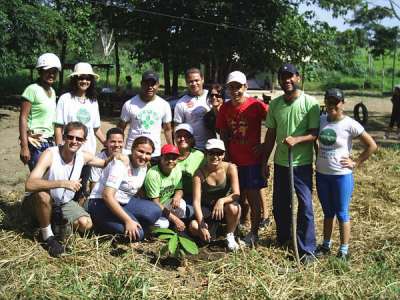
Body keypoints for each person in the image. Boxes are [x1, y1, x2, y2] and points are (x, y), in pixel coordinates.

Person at [24, 122, 113, 257]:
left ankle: (52, 221)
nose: (74, 141)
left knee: (86, 224)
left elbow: (104, 163)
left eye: (79, 139)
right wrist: (61, 183)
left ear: (84, 141)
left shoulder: (83, 156)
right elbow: (29, 184)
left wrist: (117, 155)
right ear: (64, 137)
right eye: (70, 137)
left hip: (63, 203)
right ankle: (48, 236)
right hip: (40, 201)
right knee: (43, 195)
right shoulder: (50, 154)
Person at [262, 63, 320, 264]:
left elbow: (314, 133)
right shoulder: (275, 105)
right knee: (280, 205)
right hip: (281, 163)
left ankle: (307, 249)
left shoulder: (309, 103)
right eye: (283, 76)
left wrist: (297, 140)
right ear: (279, 80)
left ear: (297, 77)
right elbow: (270, 134)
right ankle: (285, 239)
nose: (287, 80)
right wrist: (264, 161)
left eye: (290, 76)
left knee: (304, 205)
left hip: (301, 164)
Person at [314, 88, 377, 260]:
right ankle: (326, 245)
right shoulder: (320, 120)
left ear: (343, 103)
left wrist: (356, 162)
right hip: (322, 174)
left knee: (342, 212)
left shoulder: (350, 124)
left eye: (336, 102)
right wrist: (317, 155)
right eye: (329, 101)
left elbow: (372, 145)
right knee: (327, 212)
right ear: (325, 102)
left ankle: (343, 250)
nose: (332, 105)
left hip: (341, 176)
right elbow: (314, 139)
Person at [216, 71, 268, 247]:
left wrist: (264, 146)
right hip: (234, 162)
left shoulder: (257, 106)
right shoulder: (225, 108)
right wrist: (225, 155)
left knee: (254, 199)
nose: (235, 90)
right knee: (237, 198)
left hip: (252, 160)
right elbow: (223, 132)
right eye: (232, 87)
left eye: (238, 86)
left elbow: (273, 124)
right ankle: (234, 230)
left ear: (245, 87)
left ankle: (254, 233)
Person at [88, 136, 162, 241]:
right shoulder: (121, 164)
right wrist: (128, 220)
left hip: (124, 202)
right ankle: (101, 226)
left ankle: (123, 222)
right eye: (140, 151)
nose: (144, 156)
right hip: (101, 203)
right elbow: (107, 196)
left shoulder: (144, 165)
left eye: (148, 153)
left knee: (155, 211)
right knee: (138, 234)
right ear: (132, 149)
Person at [55, 62, 106, 201]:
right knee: (65, 187)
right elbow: (59, 127)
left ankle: (76, 219)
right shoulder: (65, 99)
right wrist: (59, 149)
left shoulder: (93, 101)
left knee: (82, 187)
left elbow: (96, 128)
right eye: (81, 78)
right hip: (69, 151)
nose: (84, 81)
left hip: (87, 153)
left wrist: (108, 144)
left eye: (88, 78)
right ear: (75, 79)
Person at [189, 139, 241, 251]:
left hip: (224, 208)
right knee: (193, 226)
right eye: (211, 153)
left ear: (224, 154)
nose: (215, 156)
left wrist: (221, 200)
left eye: (219, 153)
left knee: (234, 207)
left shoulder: (230, 168)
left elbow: (236, 194)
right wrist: (201, 224)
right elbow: (196, 202)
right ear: (205, 153)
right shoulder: (199, 174)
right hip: (208, 208)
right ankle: (213, 235)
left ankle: (230, 234)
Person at [118, 70, 173, 163]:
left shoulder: (164, 105)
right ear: (141, 84)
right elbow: (120, 128)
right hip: (132, 152)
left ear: (158, 85)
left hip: (153, 153)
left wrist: (172, 149)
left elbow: (167, 129)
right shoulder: (129, 104)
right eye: (146, 83)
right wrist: (118, 148)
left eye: (153, 84)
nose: (150, 87)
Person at [19, 53, 61, 171]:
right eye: (48, 71)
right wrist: (24, 146)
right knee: (39, 179)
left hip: (49, 141)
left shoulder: (52, 91)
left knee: (49, 178)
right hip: (36, 142)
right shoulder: (32, 89)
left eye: (54, 71)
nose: (51, 74)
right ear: (40, 71)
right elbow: (23, 118)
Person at [144, 144, 191, 231]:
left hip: (164, 203)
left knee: (181, 205)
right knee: (163, 224)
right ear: (161, 158)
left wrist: (177, 196)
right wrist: (175, 219)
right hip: (151, 207)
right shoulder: (153, 174)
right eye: (167, 158)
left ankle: (174, 226)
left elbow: (179, 189)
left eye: (174, 158)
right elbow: (155, 203)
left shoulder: (177, 169)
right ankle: (146, 227)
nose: (170, 161)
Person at [174, 68, 212, 150]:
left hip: (212, 147)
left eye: (196, 80)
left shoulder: (212, 96)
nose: (194, 83)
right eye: (190, 81)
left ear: (202, 80)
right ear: (186, 83)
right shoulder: (181, 103)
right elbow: (177, 128)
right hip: (193, 148)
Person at [174, 123, 205, 203]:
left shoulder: (199, 155)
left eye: (186, 136)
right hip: (173, 195)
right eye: (179, 136)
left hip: (194, 195)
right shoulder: (170, 156)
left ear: (192, 139)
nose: (182, 139)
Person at [89, 127, 125, 193]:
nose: (117, 145)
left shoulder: (128, 155)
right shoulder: (98, 159)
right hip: (103, 194)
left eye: (120, 142)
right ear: (106, 142)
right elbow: (94, 185)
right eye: (113, 142)